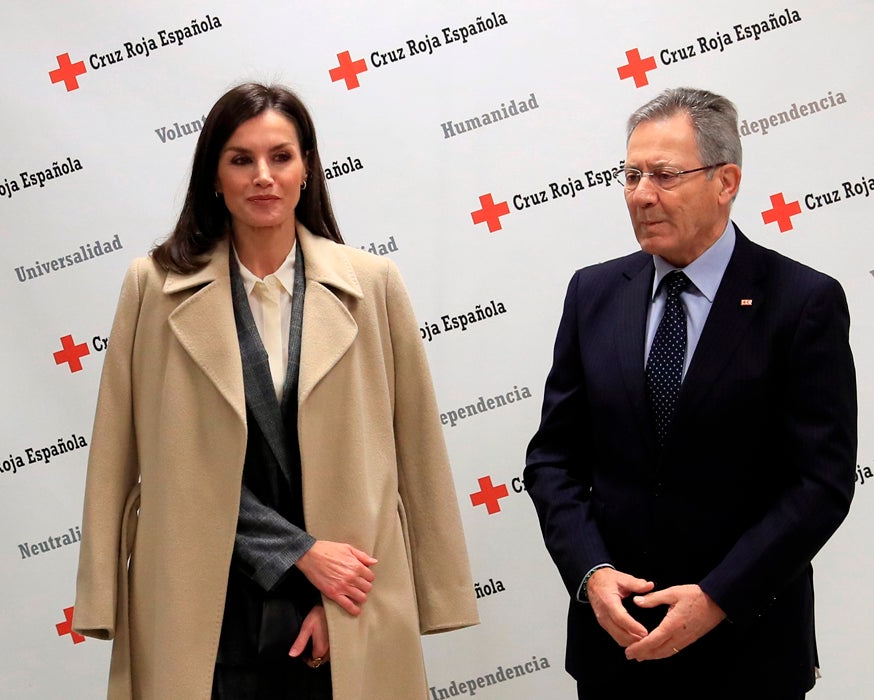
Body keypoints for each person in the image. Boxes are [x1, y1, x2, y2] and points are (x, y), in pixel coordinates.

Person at [73, 83, 478, 700]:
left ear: (308, 168)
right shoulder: (152, 287)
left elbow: (413, 455)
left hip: (343, 596)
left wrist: (400, 593)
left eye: (281, 157)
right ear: (213, 174)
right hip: (200, 600)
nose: (263, 176)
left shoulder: (374, 285)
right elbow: (119, 455)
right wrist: (101, 594)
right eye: (240, 159)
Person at [524, 87, 856, 699]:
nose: (642, 194)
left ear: (726, 181)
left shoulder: (802, 302)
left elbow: (822, 483)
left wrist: (717, 597)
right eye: (631, 175)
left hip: (749, 649)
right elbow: (553, 460)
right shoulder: (593, 293)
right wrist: (590, 573)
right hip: (617, 648)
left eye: (665, 175)